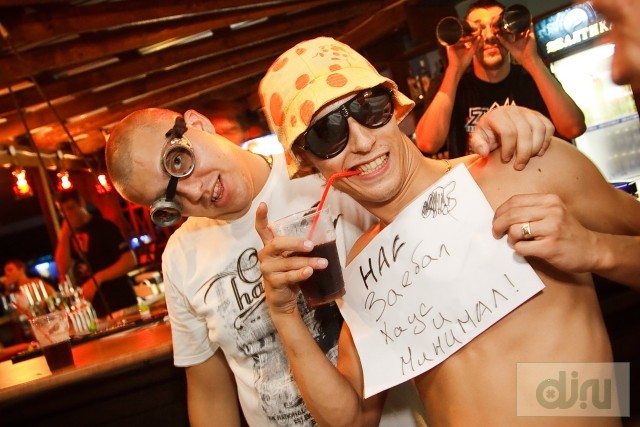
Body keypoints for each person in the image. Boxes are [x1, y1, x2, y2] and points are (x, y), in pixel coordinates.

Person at [254, 36, 640, 426]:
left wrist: (595, 249)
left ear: (393, 107)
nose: (363, 141)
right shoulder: (366, 268)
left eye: (369, 108)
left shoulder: (523, 166)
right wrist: (284, 315)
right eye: (327, 132)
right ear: (307, 160)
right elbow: (351, 420)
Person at [104, 103, 550, 426]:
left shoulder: (328, 172)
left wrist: (503, 137)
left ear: (198, 124)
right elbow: (209, 393)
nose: (191, 192)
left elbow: (436, 189)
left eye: (179, 163)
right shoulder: (180, 257)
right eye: (167, 203)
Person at [491, 0, 640, 289]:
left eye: (619, 22)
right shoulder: (459, 89)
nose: (617, 71)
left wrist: (594, 248)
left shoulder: (529, 77)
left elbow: (573, 126)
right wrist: (595, 248)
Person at [415, 0, 586, 160]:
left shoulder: (531, 79)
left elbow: (573, 128)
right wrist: (455, 69)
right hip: (477, 182)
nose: (489, 36)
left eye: (496, 26)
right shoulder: (450, 85)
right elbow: (427, 143)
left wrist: (531, 60)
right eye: (478, 28)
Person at [54, 189, 138, 318]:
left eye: (71, 208)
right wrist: (64, 235)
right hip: (95, 309)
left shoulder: (104, 227)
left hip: (121, 302)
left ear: (81, 203)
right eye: (62, 211)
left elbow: (130, 260)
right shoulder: (68, 236)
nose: (68, 214)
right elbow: (62, 268)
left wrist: (98, 278)